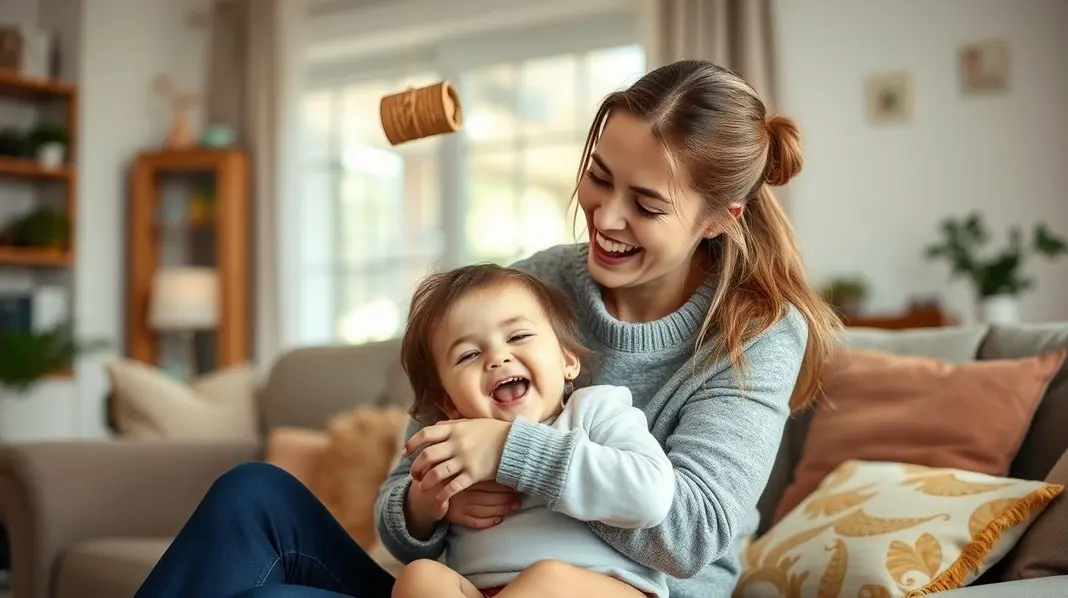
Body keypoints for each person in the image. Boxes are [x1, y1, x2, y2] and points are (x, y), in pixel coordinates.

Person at [134, 58, 840, 598]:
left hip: (616, 591)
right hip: (464, 589)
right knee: (253, 495)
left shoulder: (759, 331)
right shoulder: (528, 289)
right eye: (598, 176)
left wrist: (512, 454)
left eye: (646, 205)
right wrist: (429, 501)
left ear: (720, 218)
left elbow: (687, 533)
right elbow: (404, 499)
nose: (605, 215)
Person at [390, 263, 674, 598]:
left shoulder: (595, 410)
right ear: (449, 403)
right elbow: (406, 534)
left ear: (567, 360)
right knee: (419, 577)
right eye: (469, 355)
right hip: (482, 590)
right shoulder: (454, 444)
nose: (497, 358)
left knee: (547, 579)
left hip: (602, 587)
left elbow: (651, 498)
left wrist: (510, 448)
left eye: (519, 336)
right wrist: (430, 505)